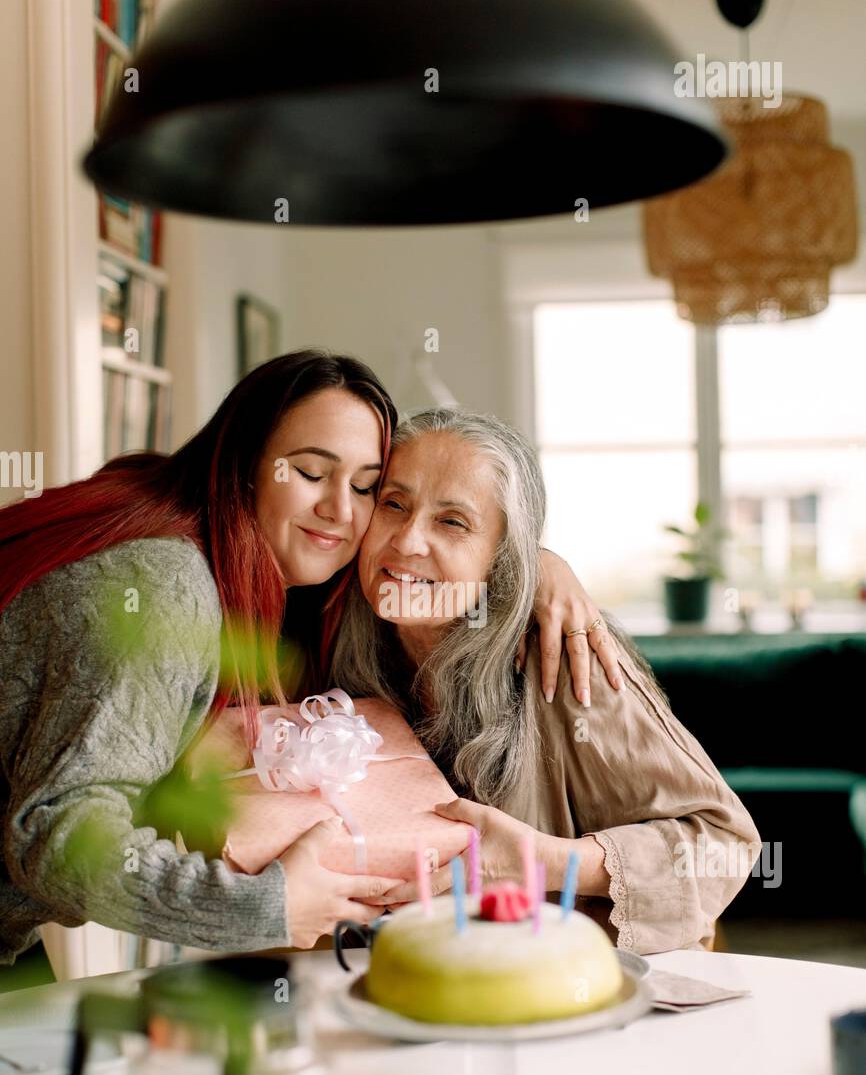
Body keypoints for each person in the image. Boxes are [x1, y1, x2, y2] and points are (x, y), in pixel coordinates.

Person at [0, 352, 613, 963]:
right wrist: (266, 907)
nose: (341, 512)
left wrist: (530, 567)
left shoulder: (244, 565)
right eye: (312, 473)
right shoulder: (166, 587)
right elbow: (57, 829)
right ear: (244, 463)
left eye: (368, 488)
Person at [330, 407, 763, 954]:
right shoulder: (335, 639)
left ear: (502, 556)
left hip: (567, 999)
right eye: (394, 504)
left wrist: (543, 862)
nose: (409, 540)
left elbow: (722, 848)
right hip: (410, 989)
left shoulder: (565, 655)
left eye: (453, 522)